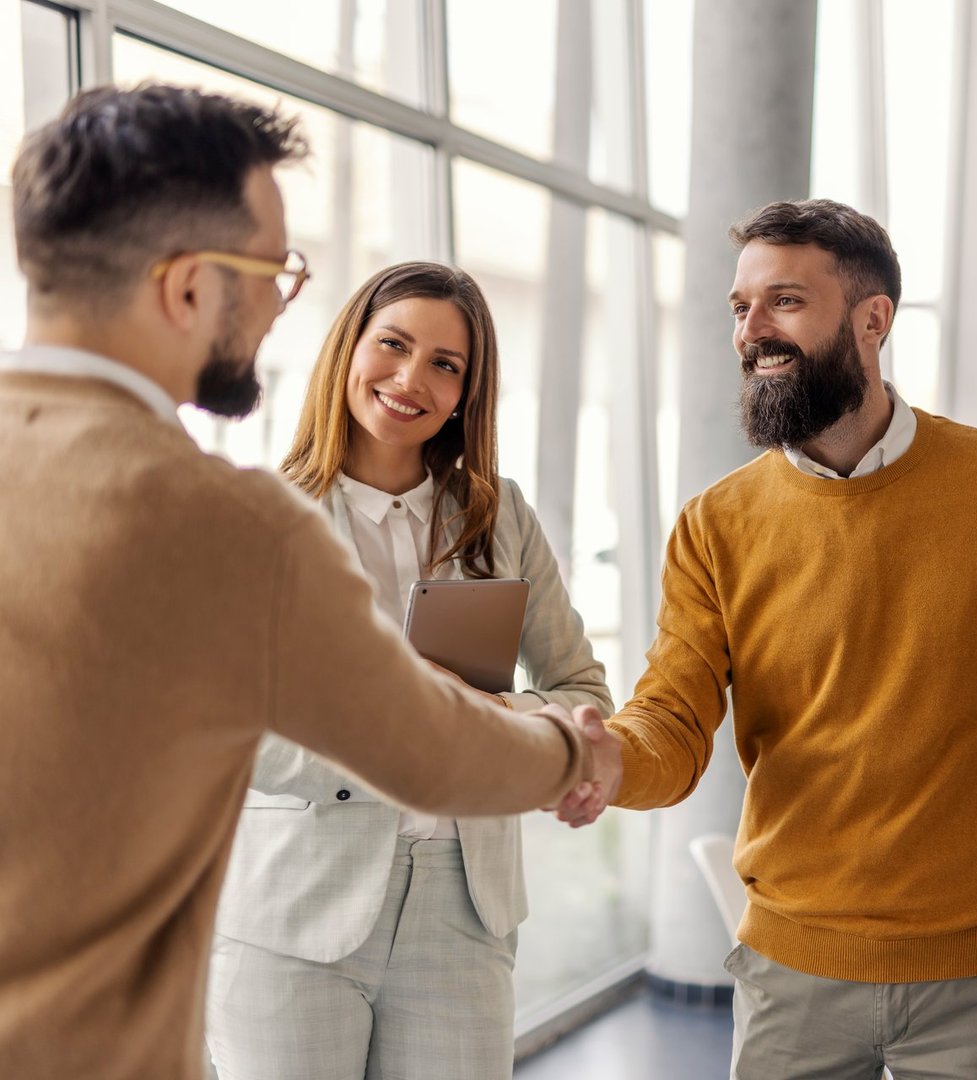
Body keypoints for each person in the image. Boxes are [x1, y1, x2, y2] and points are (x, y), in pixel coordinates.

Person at [0, 85, 616, 1080]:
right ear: (189, 286)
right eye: (273, 271)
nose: (281, 300)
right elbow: (426, 748)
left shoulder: (480, 513)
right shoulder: (235, 523)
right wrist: (563, 747)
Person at [557, 199, 977, 1078]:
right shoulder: (714, 525)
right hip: (790, 981)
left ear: (872, 320)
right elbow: (674, 723)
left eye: (785, 302)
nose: (751, 331)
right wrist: (608, 758)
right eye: (740, 307)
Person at [204, 261, 613, 1079]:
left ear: (467, 391)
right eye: (392, 345)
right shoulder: (255, 518)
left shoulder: (500, 516)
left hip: (464, 910)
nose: (410, 378)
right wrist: (414, 747)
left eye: (445, 364)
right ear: (348, 349)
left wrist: (492, 718)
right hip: (293, 908)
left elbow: (579, 691)